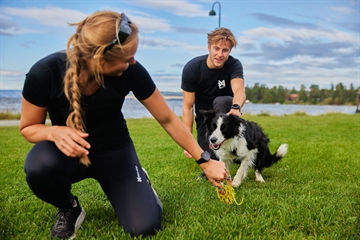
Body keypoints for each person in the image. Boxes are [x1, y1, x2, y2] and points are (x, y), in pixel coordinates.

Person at [19, 11, 228, 239]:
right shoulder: (44, 73)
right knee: (38, 166)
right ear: (100, 59)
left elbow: (167, 119)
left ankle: (140, 183)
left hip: (116, 153)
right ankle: (70, 208)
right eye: (127, 58)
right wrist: (54, 132)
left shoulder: (132, 72)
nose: (133, 62)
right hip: (68, 154)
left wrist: (205, 161)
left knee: (144, 227)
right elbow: (28, 127)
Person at [181, 27, 246, 178]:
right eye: (216, 48)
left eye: (225, 50)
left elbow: (239, 91)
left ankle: (227, 153)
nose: (220, 54)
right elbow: (188, 106)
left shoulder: (234, 65)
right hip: (205, 118)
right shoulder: (192, 68)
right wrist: (187, 139)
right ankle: (223, 157)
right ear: (209, 47)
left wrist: (236, 108)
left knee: (221, 100)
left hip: (226, 112)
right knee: (206, 154)